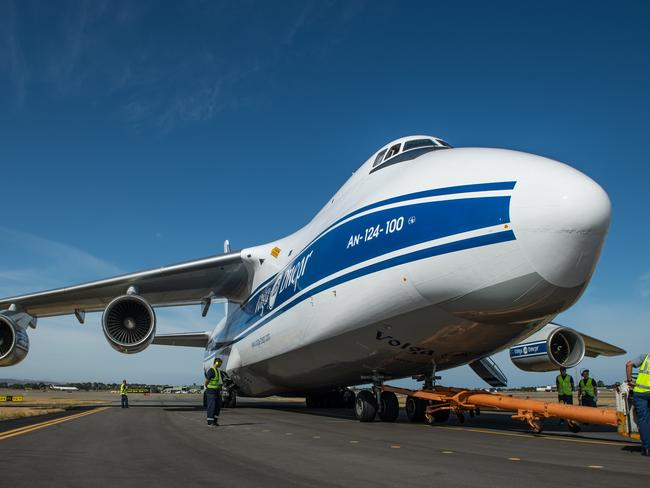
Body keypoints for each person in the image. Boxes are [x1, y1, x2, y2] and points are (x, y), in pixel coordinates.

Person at [626, 353, 650, 456]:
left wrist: (630, 380)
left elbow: (628, 364)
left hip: (640, 392)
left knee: (643, 420)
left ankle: (647, 448)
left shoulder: (646, 356)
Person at [204, 357, 223, 426]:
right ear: (217, 363)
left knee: (217, 406)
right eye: (220, 363)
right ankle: (210, 422)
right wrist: (207, 387)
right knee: (211, 406)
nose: (221, 364)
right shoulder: (211, 370)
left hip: (216, 391)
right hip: (211, 391)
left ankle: (215, 421)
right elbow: (206, 381)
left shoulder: (217, 370)